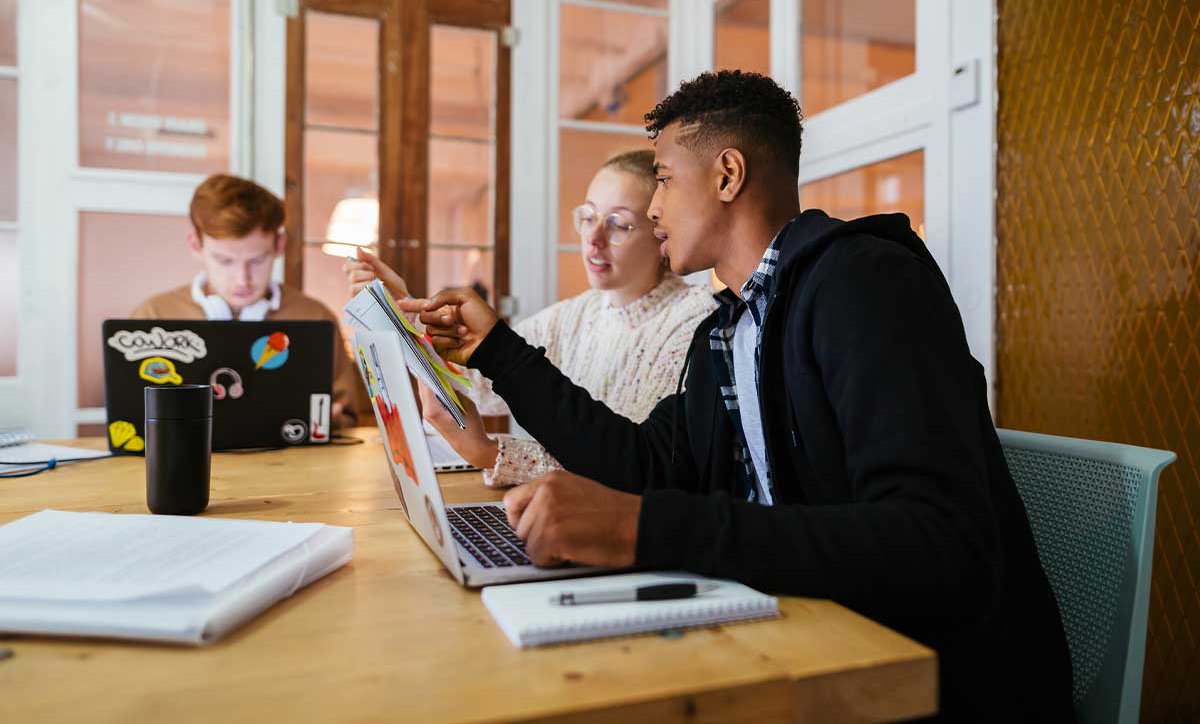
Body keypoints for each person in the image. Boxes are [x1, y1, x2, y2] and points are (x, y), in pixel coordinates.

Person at [412, 72, 1075, 723]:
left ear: (728, 175)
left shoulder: (866, 286)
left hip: (924, 683)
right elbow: (644, 463)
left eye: (665, 179)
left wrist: (638, 527)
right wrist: (495, 347)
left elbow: (942, 547)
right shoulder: (729, 329)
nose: (651, 208)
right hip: (801, 643)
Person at [346, 149, 714, 485]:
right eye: (587, 217)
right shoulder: (573, 315)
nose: (593, 238)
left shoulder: (695, 321)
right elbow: (481, 382)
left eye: (618, 224)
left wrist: (489, 453)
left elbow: (633, 469)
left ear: (660, 233)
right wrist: (404, 311)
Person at [132, 174, 360, 428]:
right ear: (195, 245)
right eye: (225, 261)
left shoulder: (316, 317)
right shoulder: (153, 316)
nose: (243, 279)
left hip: (291, 464)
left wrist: (335, 422)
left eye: (257, 260)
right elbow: (129, 415)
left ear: (279, 245)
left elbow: (348, 416)